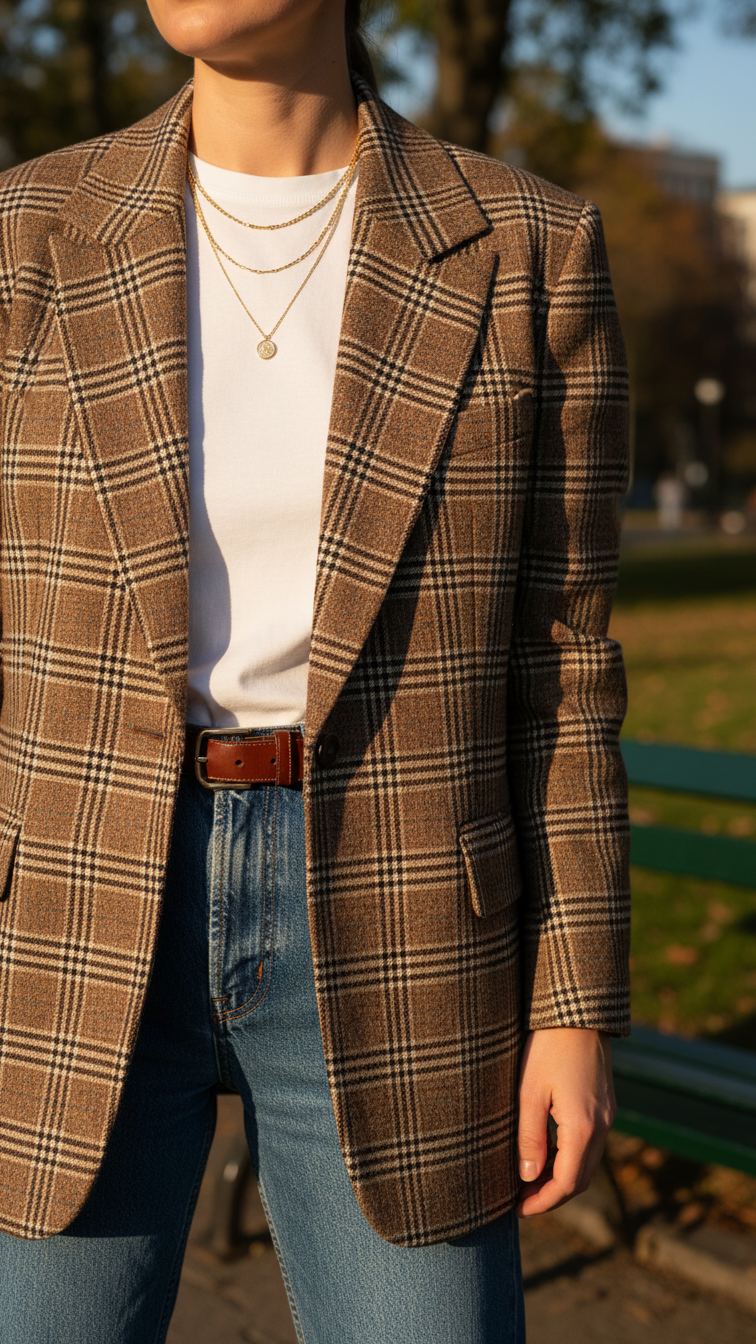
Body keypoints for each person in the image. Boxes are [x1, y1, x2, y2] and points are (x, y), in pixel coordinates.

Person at [0, 1, 630, 1340]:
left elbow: (566, 662)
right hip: (68, 905)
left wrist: (572, 1009)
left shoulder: (527, 244)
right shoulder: (26, 232)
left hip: (410, 916)